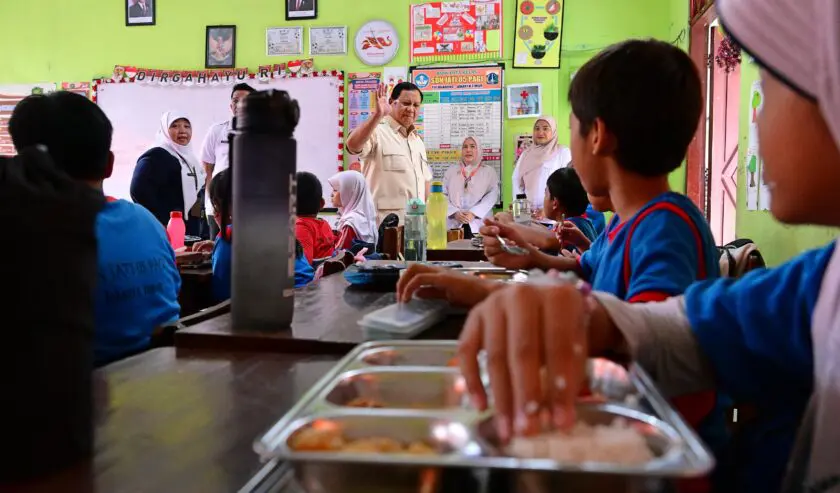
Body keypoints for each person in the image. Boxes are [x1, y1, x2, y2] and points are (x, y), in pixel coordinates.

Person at [457, 0, 840, 490]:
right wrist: (534, 287)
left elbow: (659, 351)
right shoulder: (820, 285)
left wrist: (505, 292)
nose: (757, 117)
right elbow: (667, 324)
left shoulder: (666, 224)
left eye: (768, 86)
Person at [398, 39, 725, 488]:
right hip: (612, 436)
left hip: (652, 465)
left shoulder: (664, 227)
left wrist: (490, 292)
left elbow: (641, 345)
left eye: (571, 129)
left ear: (597, 135)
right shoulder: (624, 222)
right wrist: (492, 279)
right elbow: (583, 275)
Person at [8, 91, 180, 367]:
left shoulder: (32, 237)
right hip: (163, 377)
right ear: (109, 164)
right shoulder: (147, 221)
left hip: (80, 387)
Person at [203, 170, 314, 302]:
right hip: (308, 298)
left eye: (215, 205)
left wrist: (222, 242)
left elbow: (222, 295)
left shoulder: (230, 237)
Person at [346, 82, 432, 225]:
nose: (411, 109)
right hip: (382, 226)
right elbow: (352, 146)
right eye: (406, 103)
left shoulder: (417, 141)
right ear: (392, 102)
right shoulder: (377, 131)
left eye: (416, 105)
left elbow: (425, 182)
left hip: (415, 226)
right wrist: (377, 115)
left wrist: (429, 220)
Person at [130, 111, 205, 237]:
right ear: (164, 130)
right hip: (163, 229)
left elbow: (197, 194)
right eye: (175, 126)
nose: (182, 131)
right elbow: (138, 190)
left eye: (187, 126)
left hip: (189, 229)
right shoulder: (156, 156)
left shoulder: (191, 160)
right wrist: (159, 221)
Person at [201, 83, 256, 238]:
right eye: (235, 100)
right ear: (230, 105)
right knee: (217, 247)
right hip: (219, 205)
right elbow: (207, 170)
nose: (239, 105)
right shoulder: (217, 131)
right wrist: (211, 202)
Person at [511, 117, 572, 215]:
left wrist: (548, 210)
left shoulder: (563, 153)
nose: (540, 132)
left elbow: (567, 185)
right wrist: (522, 213)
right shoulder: (526, 154)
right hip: (529, 215)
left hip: (554, 216)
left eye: (545, 128)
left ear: (553, 131)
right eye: (537, 128)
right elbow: (517, 182)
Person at [443, 136, 499, 238]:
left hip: (479, 224)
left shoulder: (488, 172)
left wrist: (473, 213)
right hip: (454, 224)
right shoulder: (451, 171)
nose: (468, 150)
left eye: (472, 146)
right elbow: (443, 195)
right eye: (465, 147)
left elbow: (492, 195)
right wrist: (454, 212)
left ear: (479, 150)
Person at [543, 167, 597, 252]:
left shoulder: (564, 229)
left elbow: (544, 238)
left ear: (555, 203)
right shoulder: (585, 223)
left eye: (545, 194)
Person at [328, 170, 379, 251]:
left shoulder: (351, 222)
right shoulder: (363, 216)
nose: (331, 194)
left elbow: (338, 252)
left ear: (349, 192)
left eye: (335, 190)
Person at [295, 171, 335, 264]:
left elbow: (304, 264)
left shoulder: (300, 227)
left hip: (317, 273)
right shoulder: (324, 224)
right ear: (322, 203)